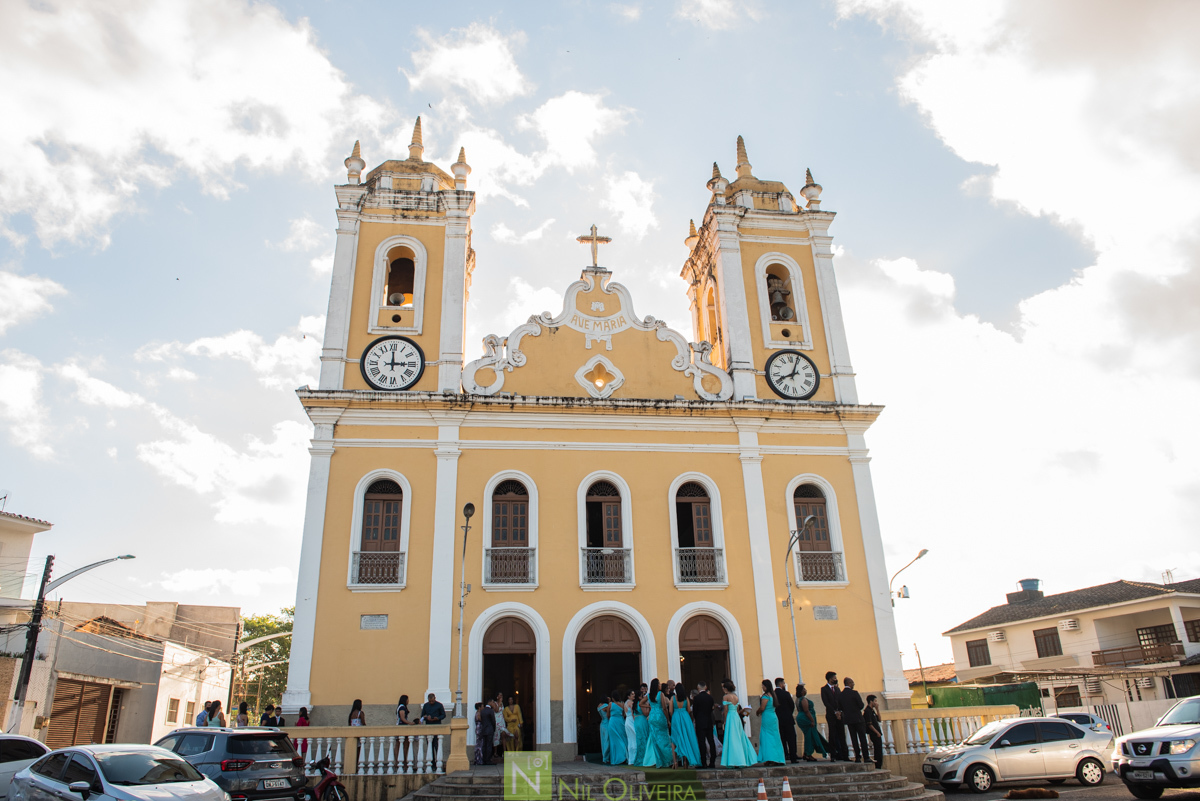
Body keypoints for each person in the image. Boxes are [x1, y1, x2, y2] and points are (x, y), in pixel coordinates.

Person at [718, 680, 755, 767]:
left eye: (723, 688)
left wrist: (725, 721)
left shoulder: (726, 697)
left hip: (730, 717)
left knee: (732, 738)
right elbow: (737, 710)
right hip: (736, 717)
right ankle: (741, 759)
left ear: (726, 688)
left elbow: (726, 710)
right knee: (738, 736)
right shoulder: (736, 697)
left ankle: (735, 760)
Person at [641, 679, 674, 768]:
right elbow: (664, 708)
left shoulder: (649, 695)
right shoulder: (660, 694)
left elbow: (640, 703)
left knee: (655, 739)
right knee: (665, 738)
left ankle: (657, 759)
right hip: (660, 716)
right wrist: (668, 720)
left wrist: (650, 706)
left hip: (652, 717)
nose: (660, 685)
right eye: (659, 683)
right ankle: (668, 758)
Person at [669, 685, 701, 767]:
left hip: (676, 717)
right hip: (685, 717)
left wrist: (674, 717)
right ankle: (686, 761)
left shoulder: (673, 698)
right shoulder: (686, 698)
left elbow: (670, 710)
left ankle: (675, 761)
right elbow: (689, 710)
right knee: (686, 737)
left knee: (674, 739)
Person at [755, 679, 786, 766]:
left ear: (766, 686)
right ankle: (777, 757)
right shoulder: (773, 695)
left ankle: (769, 758)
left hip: (767, 717)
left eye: (763, 686)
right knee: (775, 737)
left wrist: (757, 712)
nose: (762, 687)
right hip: (773, 716)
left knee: (766, 737)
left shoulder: (765, 696)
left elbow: (762, 708)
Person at [795, 684, 828, 761]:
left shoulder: (797, 699)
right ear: (802, 691)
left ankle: (807, 753)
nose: (805, 690)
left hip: (801, 717)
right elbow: (806, 711)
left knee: (808, 735)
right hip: (806, 719)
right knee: (809, 736)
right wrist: (812, 720)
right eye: (804, 689)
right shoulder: (803, 699)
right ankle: (808, 753)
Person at [821, 672, 847, 761]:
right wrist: (834, 712)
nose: (836, 679)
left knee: (842, 735)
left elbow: (840, 701)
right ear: (830, 679)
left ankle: (844, 755)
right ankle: (833, 755)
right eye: (834, 678)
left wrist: (839, 711)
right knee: (832, 734)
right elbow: (826, 702)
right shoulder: (824, 689)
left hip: (839, 714)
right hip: (831, 715)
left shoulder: (837, 689)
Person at [840, 677, 868, 763]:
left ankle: (857, 757)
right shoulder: (854, 693)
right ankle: (866, 757)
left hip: (848, 719)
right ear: (849, 683)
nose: (853, 685)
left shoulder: (841, 695)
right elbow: (861, 705)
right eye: (852, 683)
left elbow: (841, 707)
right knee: (862, 738)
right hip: (858, 718)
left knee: (854, 738)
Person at [692, 682, 716, 769]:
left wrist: (697, 718)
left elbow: (694, 711)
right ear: (705, 687)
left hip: (700, 722)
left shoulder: (697, 698)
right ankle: (712, 762)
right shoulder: (710, 697)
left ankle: (703, 762)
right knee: (711, 741)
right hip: (709, 721)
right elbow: (711, 709)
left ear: (698, 688)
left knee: (701, 742)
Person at [774, 678, 798, 763]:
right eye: (783, 683)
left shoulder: (773, 694)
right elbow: (792, 705)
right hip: (788, 719)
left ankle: (783, 756)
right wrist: (788, 713)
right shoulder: (786, 694)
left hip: (778, 719)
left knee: (782, 739)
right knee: (791, 738)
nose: (784, 685)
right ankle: (793, 757)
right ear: (781, 684)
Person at [607, 691, 627, 765]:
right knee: (622, 738)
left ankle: (616, 758)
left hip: (613, 722)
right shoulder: (622, 704)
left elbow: (607, 714)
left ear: (612, 698)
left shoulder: (610, 704)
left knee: (614, 740)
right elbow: (624, 714)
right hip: (620, 721)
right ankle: (624, 756)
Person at [864, 694, 883, 768]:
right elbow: (869, 724)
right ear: (871, 701)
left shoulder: (872, 711)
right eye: (875, 701)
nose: (876, 703)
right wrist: (877, 732)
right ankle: (878, 765)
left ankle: (879, 764)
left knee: (879, 750)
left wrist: (877, 709)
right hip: (874, 734)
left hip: (877, 733)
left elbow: (879, 719)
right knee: (877, 750)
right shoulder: (867, 711)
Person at [634, 689, 651, 765]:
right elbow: (646, 713)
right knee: (644, 738)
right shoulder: (640, 704)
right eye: (642, 696)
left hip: (637, 720)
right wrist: (649, 706)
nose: (644, 696)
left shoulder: (635, 703)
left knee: (639, 739)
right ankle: (644, 758)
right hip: (642, 721)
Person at [480, 698, 497, 764]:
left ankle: (484, 759)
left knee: (484, 745)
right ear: (489, 703)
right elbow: (493, 721)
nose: (493, 704)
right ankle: (488, 760)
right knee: (489, 745)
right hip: (490, 730)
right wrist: (494, 729)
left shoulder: (482, 711)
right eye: (493, 702)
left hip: (484, 730)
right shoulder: (491, 711)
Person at [623, 690, 638, 765]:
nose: (634, 695)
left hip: (627, 721)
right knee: (635, 739)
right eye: (632, 694)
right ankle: (634, 759)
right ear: (628, 696)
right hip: (631, 720)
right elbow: (633, 713)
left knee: (630, 740)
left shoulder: (625, 703)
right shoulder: (631, 703)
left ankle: (630, 759)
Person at [597, 696, 610, 764]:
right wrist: (610, 702)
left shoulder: (599, 706)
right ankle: (606, 757)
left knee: (603, 740)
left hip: (602, 723)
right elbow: (609, 714)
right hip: (607, 723)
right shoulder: (606, 706)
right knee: (607, 740)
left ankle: (604, 756)